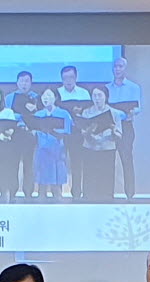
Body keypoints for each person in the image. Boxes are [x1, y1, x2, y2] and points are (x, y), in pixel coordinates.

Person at [75, 84, 123, 200]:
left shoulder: (114, 113)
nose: (97, 98)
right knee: (90, 178)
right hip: (90, 149)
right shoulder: (87, 112)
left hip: (107, 149)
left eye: (100, 95)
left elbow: (119, 135)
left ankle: (106, 200)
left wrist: (112, 129)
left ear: (106, 96)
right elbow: (83, 133)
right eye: (94, 96)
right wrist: (90, 130)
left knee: (106, 178)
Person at [107, 56, 143, 198]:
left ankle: (130, 193)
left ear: (125, 68)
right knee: (108, 159)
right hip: (110, 126)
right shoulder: (107, 88)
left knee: (126, 159)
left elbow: (138, 108)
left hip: (126, 126)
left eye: (120, 66)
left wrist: (131, 111)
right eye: (115, 66)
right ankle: (107, 193)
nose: (117, 69)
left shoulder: (134, 87)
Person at [27, 87, 71, 201]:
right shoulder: (38, 114)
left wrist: (54, 131)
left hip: (57, 150)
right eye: (44, 96)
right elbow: (33, 131)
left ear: (55, 97)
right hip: (42, 150)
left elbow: (68, 131)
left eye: (49, 95)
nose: (46, 98)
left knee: (57, 184)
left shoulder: (63, 113)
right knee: (41, 184)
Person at [55, 65, 92, 194]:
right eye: (65, 78)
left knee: (77, 162)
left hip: (77, 133)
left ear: (76, 77)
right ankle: (57, 191)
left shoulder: (84, 93)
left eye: (71, 77)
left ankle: (76, 191)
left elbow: (89, 112)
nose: (68, 81)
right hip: (61, 132)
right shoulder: (57, 93)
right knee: (59, 161)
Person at [9, 71, 42, 198]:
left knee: (30, 164)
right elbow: (7, 114)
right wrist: (20, 117)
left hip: (30, 134)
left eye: (27, 81)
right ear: (17, 82)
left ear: (31, 83)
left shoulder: (37, 97)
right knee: (13, 163)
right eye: (21, 81)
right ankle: (12, 192)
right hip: (14, 134)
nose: (24, 84)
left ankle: (29, 192)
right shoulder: (9, 97)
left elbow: (40, 116)